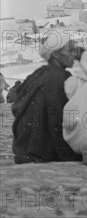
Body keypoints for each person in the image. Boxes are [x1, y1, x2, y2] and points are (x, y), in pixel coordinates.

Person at [11, 32, 82, 164]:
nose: (74, 55)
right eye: (70, 50)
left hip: (23, 149)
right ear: (55, 54)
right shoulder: (59, 77)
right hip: (42, 152)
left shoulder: (37, 74)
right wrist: (69, 155)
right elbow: (57, 119)